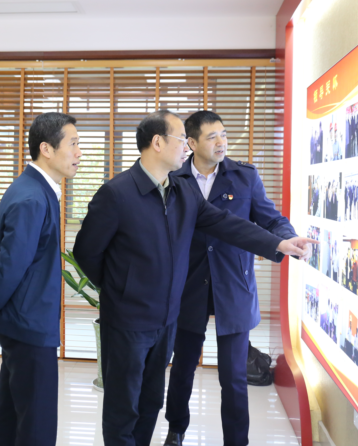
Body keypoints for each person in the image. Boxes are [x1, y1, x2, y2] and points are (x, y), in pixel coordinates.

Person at [72, 110, 316, 446]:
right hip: (138, 315)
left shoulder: (183, 191)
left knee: (152, 400)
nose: (187, 148)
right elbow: (86, 252)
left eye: (223, 134)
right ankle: (164, 433)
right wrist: (122, 288)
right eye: (180, 140)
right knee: (128, 403)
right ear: (159, 143)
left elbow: (227, 224)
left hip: (178, 311)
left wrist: (279, 243)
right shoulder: (118, 193)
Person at [163, 111, 299, 446]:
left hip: (234, 284)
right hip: (188, 285)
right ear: (191, 142)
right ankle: (176, 429)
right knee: (182, 368)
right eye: (212, 137)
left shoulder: (244, 176)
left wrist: (288, 237)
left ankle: (237, 441)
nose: (221, 142)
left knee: (234, 376)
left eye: (223, 134)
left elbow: (271, 219)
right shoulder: (174, 178)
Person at [0, 113, 82, 446]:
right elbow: (9, 268)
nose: (79, 153)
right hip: (29, 326)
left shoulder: (34, 189)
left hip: (23, 323)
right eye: (73, 144)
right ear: (46, 149)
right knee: (36, 426)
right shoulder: (33, 198)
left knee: (8, 418)